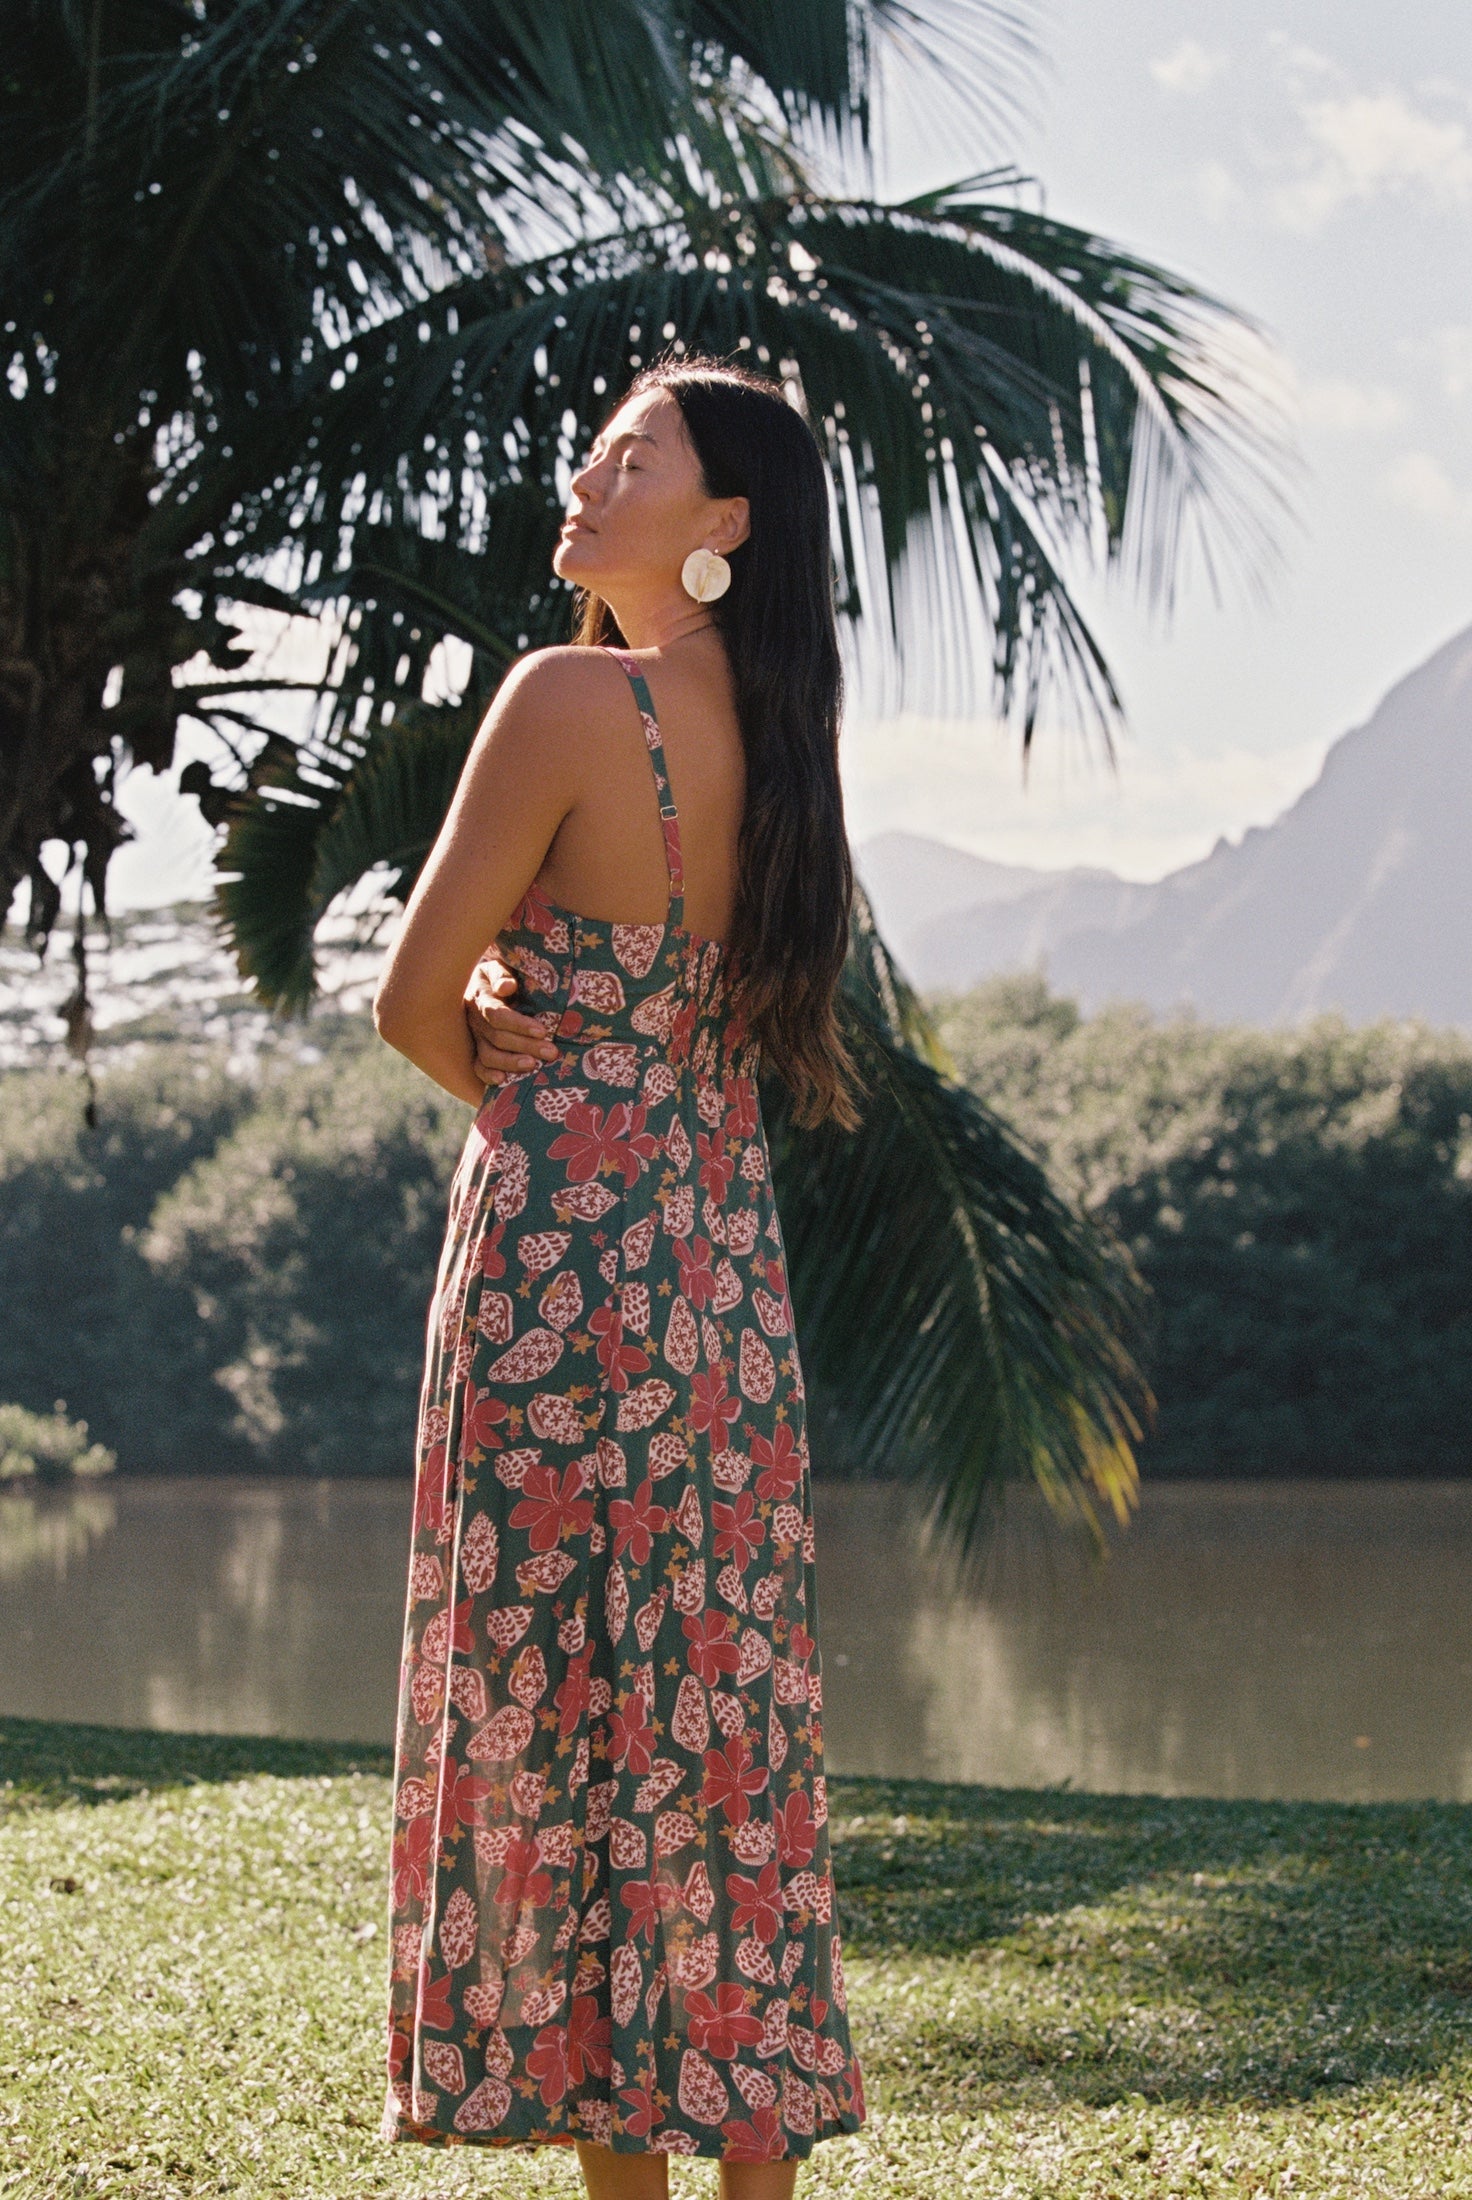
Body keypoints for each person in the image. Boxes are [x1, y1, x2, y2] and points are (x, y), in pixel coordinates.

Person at [373, 356, 866, 2197]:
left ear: (722, 520)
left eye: (631, 456)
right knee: (716, 1729)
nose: (585, 479)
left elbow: (411, 1001)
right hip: (719, 1277)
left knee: (565, 1730)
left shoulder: (571, 697)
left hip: (560, 1267)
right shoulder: (790, 737)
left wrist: (519, 1046)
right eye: (591, 449)